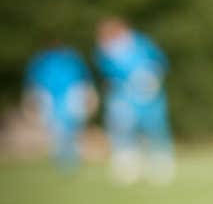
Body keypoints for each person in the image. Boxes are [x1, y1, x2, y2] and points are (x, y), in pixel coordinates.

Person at [93, 17, 175, 183]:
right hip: (121, 96)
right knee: (122, 132)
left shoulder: (142, 44)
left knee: (155, 130)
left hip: (149, 95)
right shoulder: (105, 50)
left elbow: (160, 61)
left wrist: (152, 75)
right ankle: (127, 168)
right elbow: (105, 73)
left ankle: (161, 166)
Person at [22, 43, 97, 170]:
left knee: (71, 129)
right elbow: (33, 82)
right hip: (50, 99)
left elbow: (84, 79)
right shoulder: (42, 60)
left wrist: (88, 95)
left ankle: (71, 159)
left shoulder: (72, 59)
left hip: (70, 97)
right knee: (57, 130)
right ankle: (63, 161)